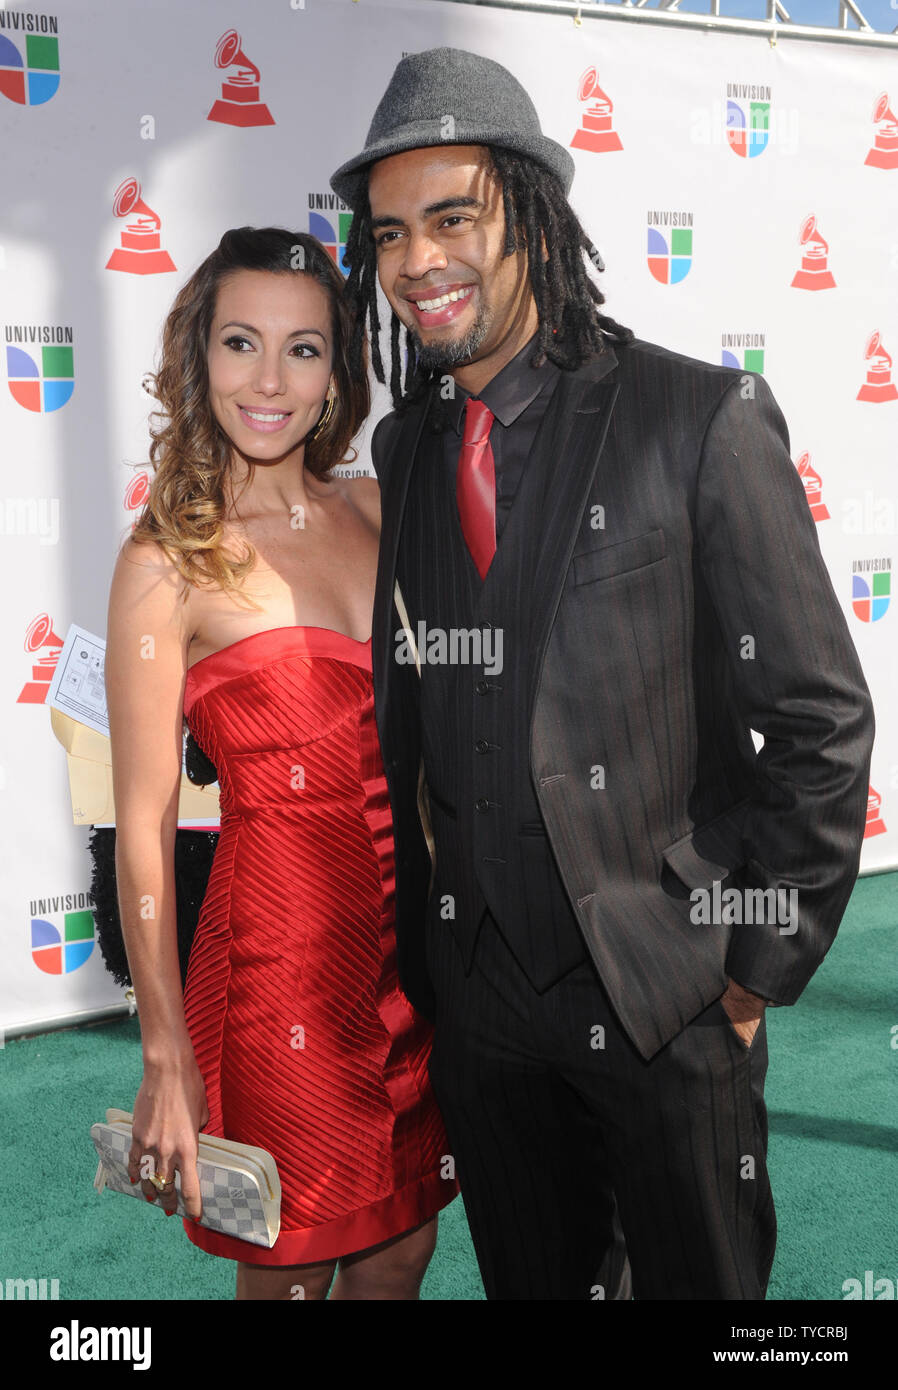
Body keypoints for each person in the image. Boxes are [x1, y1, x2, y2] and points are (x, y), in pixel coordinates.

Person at [329, 49, 876, 1300]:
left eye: (453, 216)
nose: (418, 262)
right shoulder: (410, 445)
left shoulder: (698, 417)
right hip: (482, 1010)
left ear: (529, 211)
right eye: (391, 233)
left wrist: (740, 981)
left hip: (665, 993)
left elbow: (817, 717)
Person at [104, 225, 458, 1301]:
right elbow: (143, 822)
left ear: (338, 370)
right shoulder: (166, 559)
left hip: (416, 952)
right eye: (240, 343)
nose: (269, 380)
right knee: (293, 1265)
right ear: (197, 357)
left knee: (402, 1244)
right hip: (281, 965)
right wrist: (168, 1051)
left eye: (303, 350)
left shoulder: (381, 507)